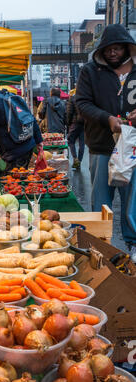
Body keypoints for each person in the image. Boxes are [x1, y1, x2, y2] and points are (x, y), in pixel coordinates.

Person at [76, 24, 136, 261]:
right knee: (101, 199)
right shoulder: (90, 71)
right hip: (102, 146)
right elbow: (82, 103)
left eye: (118, 48)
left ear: (126, 48)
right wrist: (107, 119)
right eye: (109, 49)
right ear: (102, 49)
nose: (113, 53)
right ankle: (100, 244)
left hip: (132, 147)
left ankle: (132, 245)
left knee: (132, 199)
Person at [67, 89, 85, 170]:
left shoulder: (73, 98)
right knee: (82, 143)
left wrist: (68, 123)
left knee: (71, 140)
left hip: (75, 123)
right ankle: (79, 162)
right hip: (85, 123)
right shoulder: (86, 98)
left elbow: (69, 112)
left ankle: (75, 158)